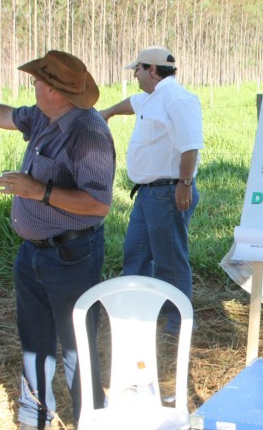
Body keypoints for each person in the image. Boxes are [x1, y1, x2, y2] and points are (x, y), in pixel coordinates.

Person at [0, 50, 116, 429]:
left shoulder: (88, 134)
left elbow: (98, 204)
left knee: (77, 345)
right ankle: (35, 415)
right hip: (33, 253)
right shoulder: (45, 117)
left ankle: (90, 419)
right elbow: (6, 116)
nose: (34, 86)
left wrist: (37, 191)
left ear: (56, 91)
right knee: (34, 339)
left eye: (38, 81)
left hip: (72, 255)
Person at [99, 46, 203, 335]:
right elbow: (132, 103)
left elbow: (191, 145)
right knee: (136, 253)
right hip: (148, 194)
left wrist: (184, 185)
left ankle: (177, 324)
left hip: (168, 192)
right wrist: (106, 112)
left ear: (153, 70)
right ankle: (137, 311)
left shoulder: (178, 99)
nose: (134, 74)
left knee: (169, 259)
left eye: (138, 68)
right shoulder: (153, 98)